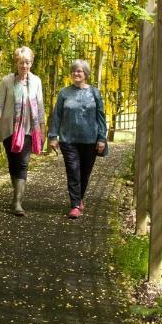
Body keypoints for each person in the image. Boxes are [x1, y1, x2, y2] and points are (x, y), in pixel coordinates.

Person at [48, 59, 107, 219]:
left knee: (84, 173)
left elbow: (101, 117)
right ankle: (75, 205)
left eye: (79, 71)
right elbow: (57, 116)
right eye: (74, 71)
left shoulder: (95, 93)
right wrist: (53, 136)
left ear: (86, 74)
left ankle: (79, 198)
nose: (76, 73)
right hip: (68, 140)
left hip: (90, 140)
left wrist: (102, 138)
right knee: (73, 171)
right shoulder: (64, 93)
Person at [0, 46, 45, 216]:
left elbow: (41, 106)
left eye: (28, 62)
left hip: (29, 128)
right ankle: (16, 196)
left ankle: (17, 201)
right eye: (22, 62)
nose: (25, 66)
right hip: (9, 128)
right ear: (16, 62)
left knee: (23, 162)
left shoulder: (36, 81)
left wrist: (42, 129)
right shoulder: (6, 81)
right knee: (13, 163)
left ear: (32, 63)